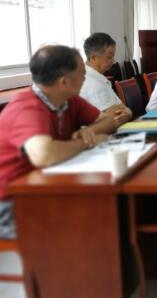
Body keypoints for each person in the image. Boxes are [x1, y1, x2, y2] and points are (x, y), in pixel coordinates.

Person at [0, 45, 117, 238]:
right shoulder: (27, 106)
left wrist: (89, 131)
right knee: (88, 224)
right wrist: (87, 142)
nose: (85, 78)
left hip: (47, 186)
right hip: (11, 201)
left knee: (108, 211)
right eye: (82, 73)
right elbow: (44, 155)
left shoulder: (68, 100)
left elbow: (109, 121)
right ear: (64, 81)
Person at [80, 32, 132, 126]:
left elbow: (126, 110)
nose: (113, 60)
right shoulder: (92, 83)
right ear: (93, 58)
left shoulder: (98, 79)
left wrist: (128, 114)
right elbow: (114, 119)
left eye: (113, 56)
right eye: (109, 57)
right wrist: (127, 113)